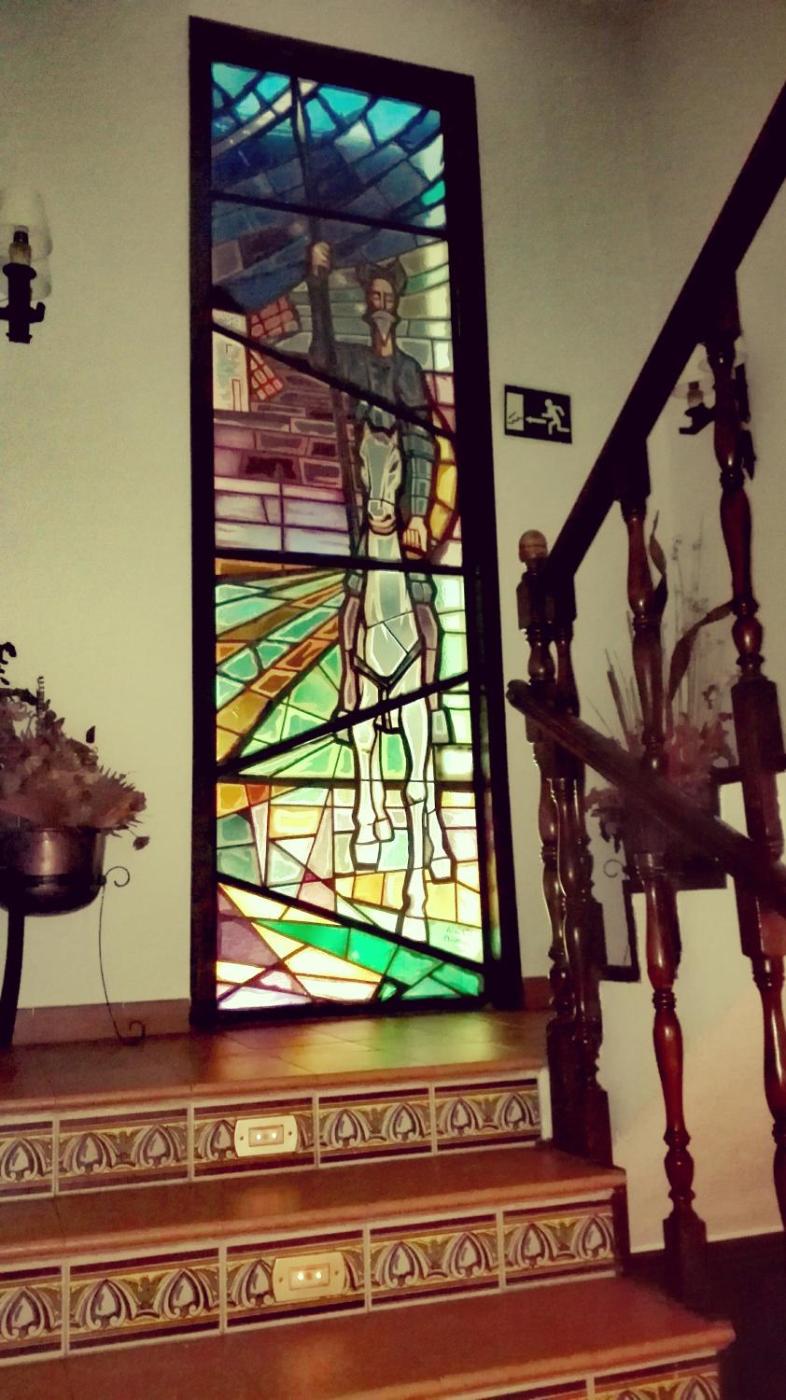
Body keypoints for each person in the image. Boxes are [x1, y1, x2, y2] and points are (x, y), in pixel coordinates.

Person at [307, 241, 449, 741]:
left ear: (398, 307)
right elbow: (321, 357)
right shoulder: (353, 361)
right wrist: (318, 284)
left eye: (389, 298)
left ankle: (431, 699)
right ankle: (350, 691)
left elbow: (421, 442)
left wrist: (417, 513)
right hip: (364, 498)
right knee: (352, 598)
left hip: (403, 502)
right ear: (367, 307)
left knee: (422, 600)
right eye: (376, 298)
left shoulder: (408, 371)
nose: (382, 306)